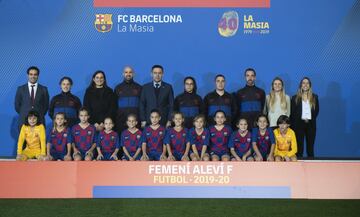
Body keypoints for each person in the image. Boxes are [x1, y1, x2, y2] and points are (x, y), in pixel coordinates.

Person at [291, 77, 319, 159]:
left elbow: (316, 111)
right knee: (299, 149)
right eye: (303, 83)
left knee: (310, 148)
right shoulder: (295, 98)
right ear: (300, 85)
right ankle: (299, 169)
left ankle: (311, 168)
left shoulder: (314, 97)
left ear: (310, 85)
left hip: (310, 125)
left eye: (307, 83)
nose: (305, 85)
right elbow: (293, 113)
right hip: (298, 125)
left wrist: (309, 118)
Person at [114, 66, 142, 134]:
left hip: (135, 122)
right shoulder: (118, 88)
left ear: (133, 74)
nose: (128, 74)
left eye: (130, 72)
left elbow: (142, 105)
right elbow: (114, 106)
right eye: (126, 72)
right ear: (123, 74)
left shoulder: (139, 88)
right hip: (121, 122)